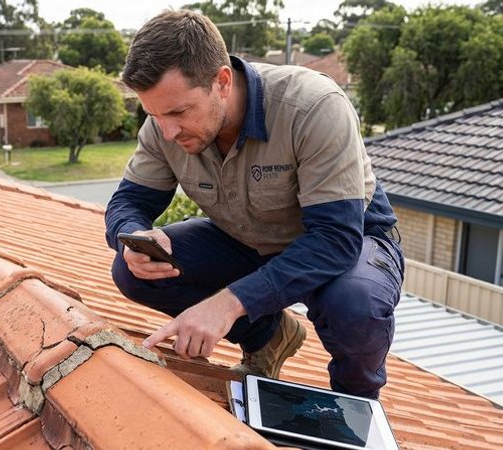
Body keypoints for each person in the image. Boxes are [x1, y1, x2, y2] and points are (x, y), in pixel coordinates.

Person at [105, 9, 404, 400]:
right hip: (247, 239)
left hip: (346, 241)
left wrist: (228, 304)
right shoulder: (165, 124)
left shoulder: (314, 106)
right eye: (154, 114)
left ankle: (357, 407)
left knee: (354, 305)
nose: (168, 131)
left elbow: (335, 238)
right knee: (133, 272)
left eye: (179, 112)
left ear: (222, 82)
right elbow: (129, 200)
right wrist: (133, 235)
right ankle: (268, 337)